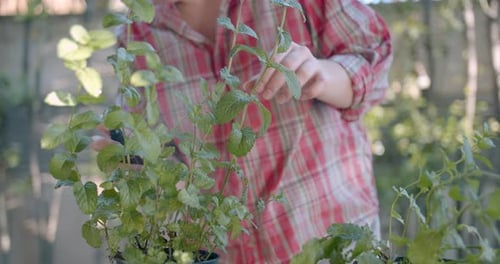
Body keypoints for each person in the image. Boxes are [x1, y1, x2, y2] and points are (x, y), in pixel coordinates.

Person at [120, 0, 392, 262]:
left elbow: (373, 59)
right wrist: (145, 169)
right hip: (223, 254)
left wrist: (321, 74)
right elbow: (163, 155)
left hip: (332, 244)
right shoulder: (135, 36)